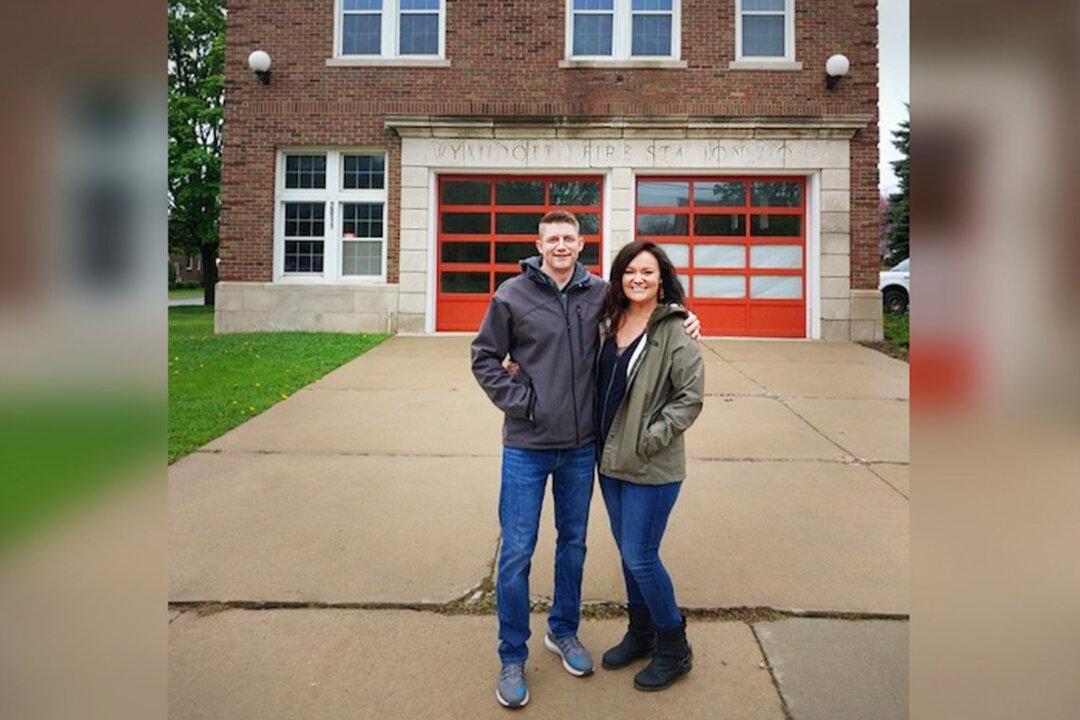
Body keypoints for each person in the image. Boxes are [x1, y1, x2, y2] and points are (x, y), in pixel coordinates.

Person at [471, 211, 700, 709]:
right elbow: (484, 358)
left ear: (581, 244)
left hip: (581, 448)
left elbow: (648, 307)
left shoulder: (600, 294)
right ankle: (512, 656)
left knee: (573, 545)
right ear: (539, 244)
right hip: (527, 446)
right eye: (552, 238)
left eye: (569, 238)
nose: (561, 245)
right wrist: (523, 403)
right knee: (517, 552)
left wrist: (685, 315)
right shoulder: (511, 296)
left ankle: (564, 631)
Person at [594, 241, 705, 692]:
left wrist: (647, 440)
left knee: (641, 555)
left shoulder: (676, 330)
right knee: (628, 553)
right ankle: (641, 633)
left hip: (650, 466)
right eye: (630, 271)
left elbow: (689, 399)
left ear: (662, 281)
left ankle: (674, 648)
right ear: (619, 277)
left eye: (647, 272)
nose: (637, 278)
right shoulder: (608, 322)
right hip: (608, 462)